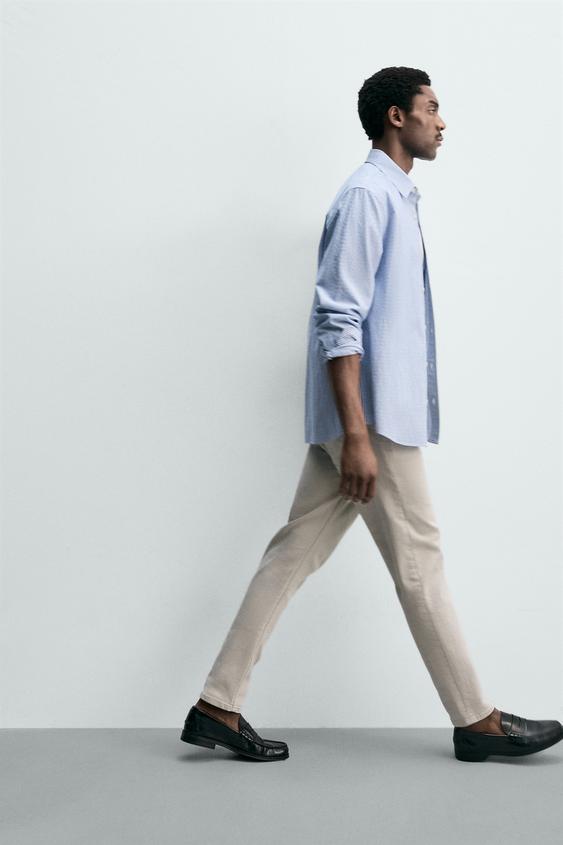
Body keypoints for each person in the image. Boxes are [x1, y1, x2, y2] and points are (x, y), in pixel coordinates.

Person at [181, 66, 563, 763]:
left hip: (362, 420)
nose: (441, 122)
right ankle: (476, 721)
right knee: (420, 559)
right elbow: (338, 317)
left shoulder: (394, 196)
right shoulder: (367, 196)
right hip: (372, 422)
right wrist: (357, 435)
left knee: (292, 553)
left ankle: (217, 703)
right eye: (431, 108)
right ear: (396, 117)